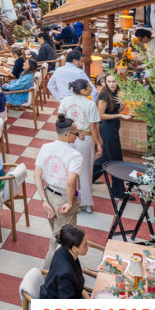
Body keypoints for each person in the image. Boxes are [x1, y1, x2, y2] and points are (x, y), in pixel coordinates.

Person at [35, 114, 82, 270]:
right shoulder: (75, 155)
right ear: (68, 135)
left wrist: (43, 200)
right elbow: (71, 181)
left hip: (49, 194)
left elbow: (37, 174)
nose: (77, 136)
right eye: (76, 133)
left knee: (58, 236)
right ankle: (46, 275)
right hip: (63, 199)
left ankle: (63, 269)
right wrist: (70, 203)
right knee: (59, 242)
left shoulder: (45, 147)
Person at [58, 79, 102, 214]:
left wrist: (72, 132)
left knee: (70, 171)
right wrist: (98, 143)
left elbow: (60, 119)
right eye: (89, 87)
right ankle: (86, 203)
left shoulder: (65, 101)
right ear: (83, 91)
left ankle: (70, 199)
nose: (91, 89)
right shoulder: (90, 104)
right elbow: (93, 127)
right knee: (86, 172)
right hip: (85, 139)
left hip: (69, 139)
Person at [39, 224, 89, 300]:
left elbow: (78, 287)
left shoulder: (65, 252)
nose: (88, 246)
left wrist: (87, 297)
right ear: (74, 248)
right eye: (85, 244)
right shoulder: (66, 273)